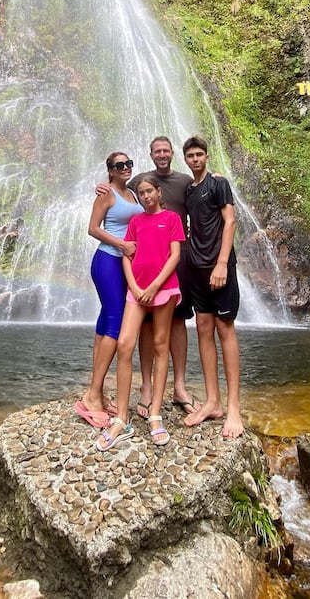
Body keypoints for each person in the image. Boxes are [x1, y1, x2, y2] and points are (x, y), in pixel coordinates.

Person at [96, 136, 200, 418]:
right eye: (158, 151)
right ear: (151, 155)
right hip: (140, 270)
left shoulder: (185, 181)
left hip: (176, 262)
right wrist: (103, 185)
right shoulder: (138, 183)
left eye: (166, 150)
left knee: (176, 323)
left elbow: (203, 186)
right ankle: (143, 389)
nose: (162, 154)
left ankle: (178, 387)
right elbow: (118, 192)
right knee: (143, 326)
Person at [96, 175, 184, 451]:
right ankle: (121, 418)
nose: (145, 196)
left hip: (164, 289)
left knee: (160, 345)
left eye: (150, 191)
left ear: (158, 192)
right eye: (142, 193)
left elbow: (175, 256)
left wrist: (155, 285)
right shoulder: (135, 221)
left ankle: (155, 415)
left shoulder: (171, 218)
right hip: (136, 291)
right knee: (124, 344)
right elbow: (126, 255)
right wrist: (134, 286)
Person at [181, 135, 244, 440]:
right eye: (190, 155)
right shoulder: (188, 189)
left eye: (199, 154)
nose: (195, 159)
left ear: (207, 156)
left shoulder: (219, 184)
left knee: (225, 329)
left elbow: (230, 222)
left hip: (220, 269)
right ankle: (212, 402)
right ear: (186, 160)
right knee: (203, 328)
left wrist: (221, 263)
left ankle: (233, 407)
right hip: (195, 268)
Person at [76, 151, 142, 429]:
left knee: (105, 323)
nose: (125, 168)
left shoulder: (134, 193)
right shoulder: (107, 194)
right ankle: (92, 396)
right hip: (108, 261)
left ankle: (98, 392)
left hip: (123, 264)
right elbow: (93, 228)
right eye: (120, 165)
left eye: (128, 164)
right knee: (115, 323)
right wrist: (123, 245)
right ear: (110, 171)